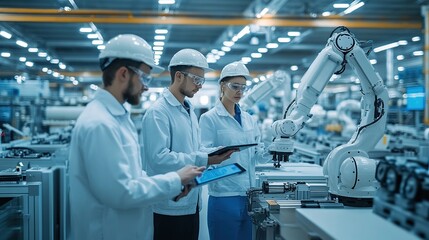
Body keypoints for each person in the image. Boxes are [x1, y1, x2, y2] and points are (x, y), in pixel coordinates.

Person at [68, 35, 205, 240]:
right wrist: (175, 178)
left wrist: (176, 184)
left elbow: (132, 176)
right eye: (145, 78)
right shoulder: (99, 124)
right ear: (123, 74)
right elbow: (122, 193)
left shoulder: (118, 118)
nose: (146, 86)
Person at [141, 49, 235, 240]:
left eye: (202, 81)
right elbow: (158, 158)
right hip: (168, 205)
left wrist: (214, 153)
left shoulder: (189, 110)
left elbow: (194, 149)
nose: (200, 86)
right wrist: (204, 158)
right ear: (178, 76)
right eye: (196, 80)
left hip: (191, 202)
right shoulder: (158, 112)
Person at [199, 61, 265, 240]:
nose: (239, 91)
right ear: (222, 86)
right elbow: (203, 154)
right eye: (235, 86)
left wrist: (268, 150)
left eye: (243, 87)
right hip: (224, 196)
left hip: (250, 195)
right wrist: (223, 156)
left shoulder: (250, 120)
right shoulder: (209, 119)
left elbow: (258, 153)